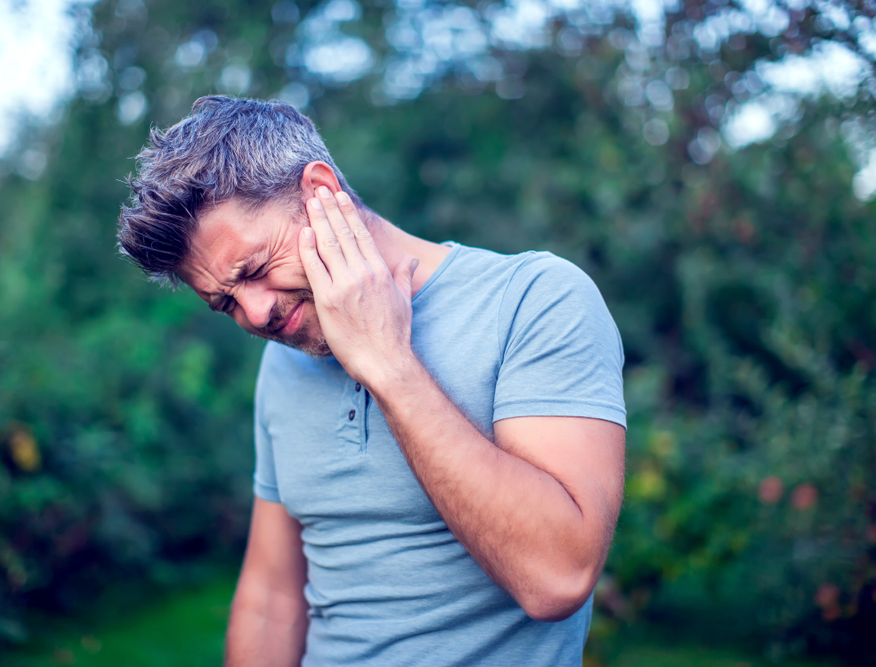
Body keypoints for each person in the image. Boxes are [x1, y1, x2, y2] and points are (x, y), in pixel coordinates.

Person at [117, 95, 626, 667]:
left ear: (321, 192)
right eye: (223, 303)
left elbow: (556, 577)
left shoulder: (535, 299)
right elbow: (272, 598)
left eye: (255, 270)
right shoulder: (283, 361)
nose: (255, 315)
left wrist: (387, 362)